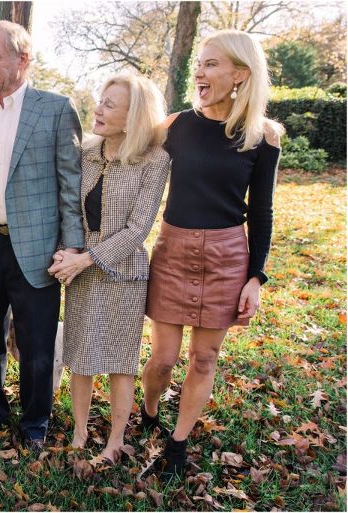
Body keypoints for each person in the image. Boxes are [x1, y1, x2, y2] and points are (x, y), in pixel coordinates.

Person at [141, 29, 283, 480]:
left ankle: (177, 445)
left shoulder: (263, 137)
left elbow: (261, 212)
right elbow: (131, 163)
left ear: (240, 74)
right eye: (199, 64)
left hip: (226, 256)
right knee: (163, 359)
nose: (200, 72)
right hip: (173, 249)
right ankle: (149, 411)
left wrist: (256, 277)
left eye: (211, 64)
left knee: (204, 359)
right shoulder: (175, 127)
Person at [0, 20, 84, 452]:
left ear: (22, 59)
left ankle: (35, 421)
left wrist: (72, 245)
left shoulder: (56, 109)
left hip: (39, 248)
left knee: (37, 342)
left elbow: (70, 184)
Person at [47, 74, 170, 462]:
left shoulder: (155, 161)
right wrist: (68, 252)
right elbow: (68, 207)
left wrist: (86, 259)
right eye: (100, 101)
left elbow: (138, 229)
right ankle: (80, 433)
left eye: (109, 105)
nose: (97, 109)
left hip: (125, 273)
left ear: (134, 117)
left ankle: (115, 439)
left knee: (121, 361)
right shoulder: (85, 152)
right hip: (80, 269)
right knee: (80, 356)